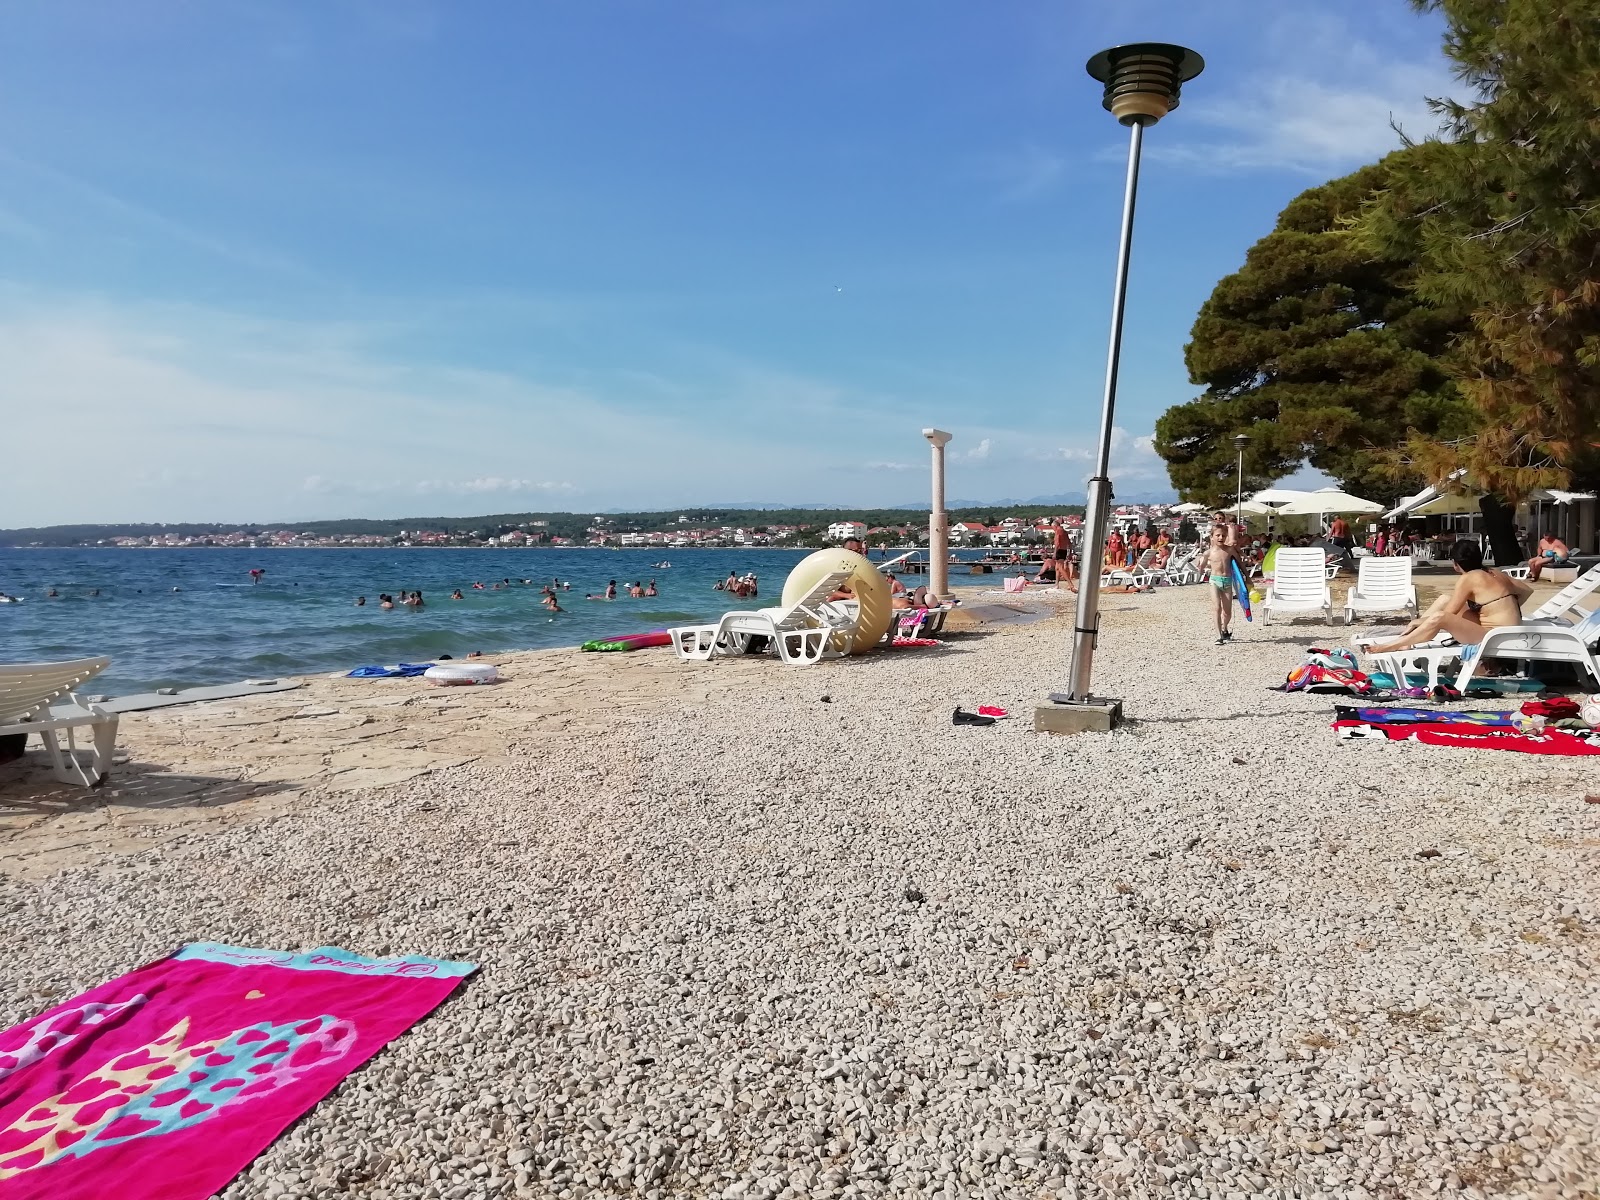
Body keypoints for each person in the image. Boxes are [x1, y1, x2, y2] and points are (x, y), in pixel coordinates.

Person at [1369, 541, 1529, 654]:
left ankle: (1394, 644)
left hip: (1495, 637)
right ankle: (1408, 640)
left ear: (1456, 564)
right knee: (1445, 598)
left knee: (1440, 617)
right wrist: (1504, 609)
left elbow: (1448, 614)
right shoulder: (1494, 573)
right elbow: (1527, 591)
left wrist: (1417, 621)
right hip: (1508, 632)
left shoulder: (1468, 578)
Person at [1198, 524, 1248, 645]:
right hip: (1214, 580)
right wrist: (1201, 569)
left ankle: (1225, 628)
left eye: (1223, 535)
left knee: (1227, 612)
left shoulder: (1229, 550)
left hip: (1227, 581)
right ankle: (1218, 635)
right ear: (1212, 537)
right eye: (1218, 535)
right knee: (1217, 608)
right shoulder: (1208, 553)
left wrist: (1247, 577)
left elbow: (1240, 563)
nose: (1220, 537)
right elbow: (1202, 566)